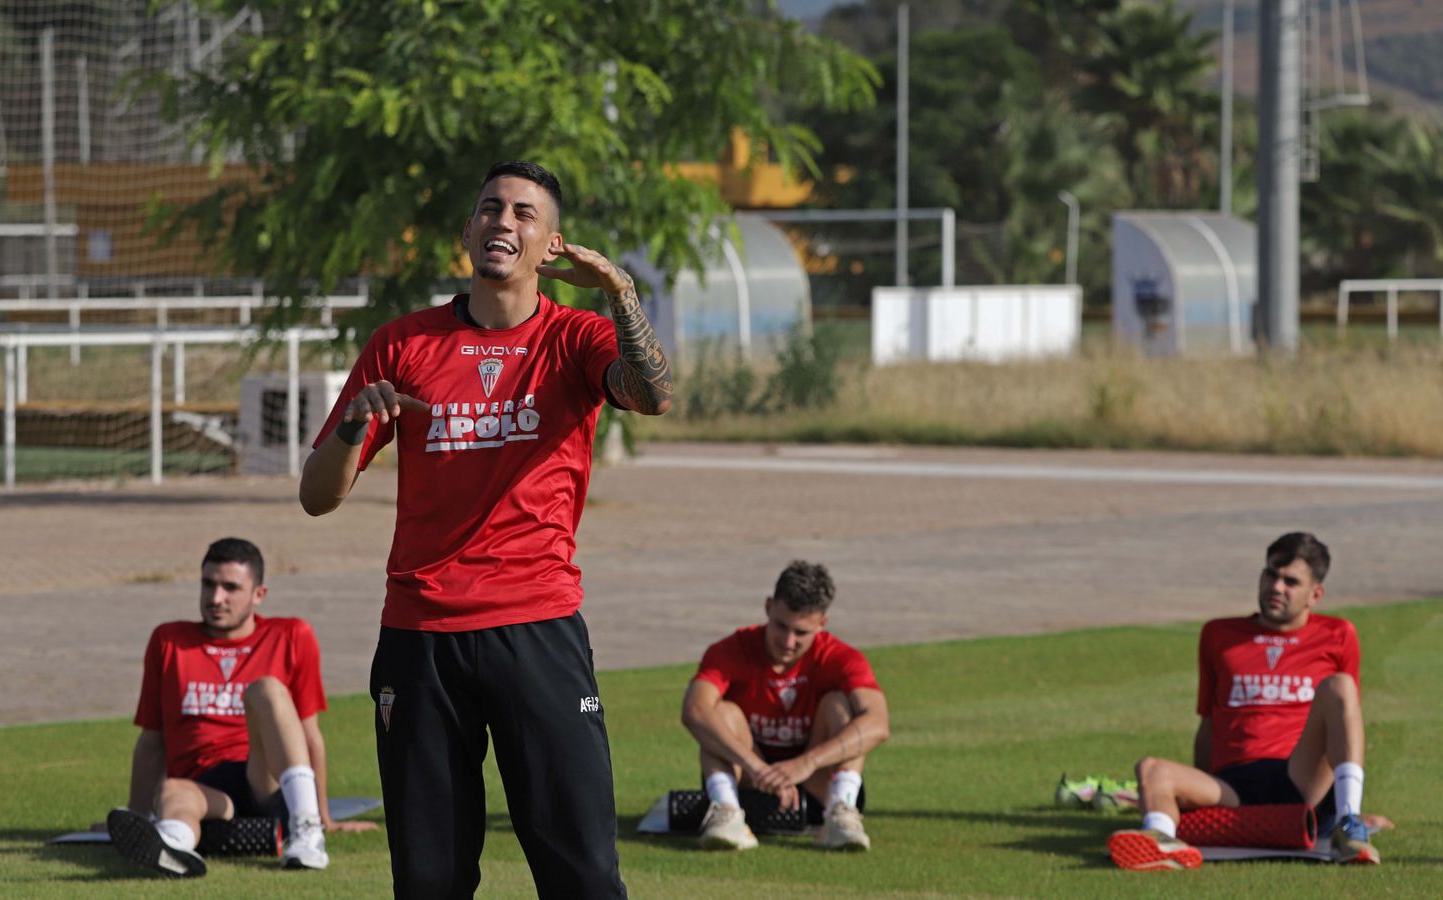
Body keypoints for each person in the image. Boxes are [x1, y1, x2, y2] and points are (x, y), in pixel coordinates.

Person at [298, 160, 672, 898]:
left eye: (524, 214)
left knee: (584, 874)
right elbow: (316, 498)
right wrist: (351, 427)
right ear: (468, 230)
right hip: (420, 639)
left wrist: (622, 293)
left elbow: (652, 395)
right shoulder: (402, 344)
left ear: (551, 244)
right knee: (430, 880)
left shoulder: (576, 338)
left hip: (537, 630)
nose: (504, 222)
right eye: (490, 209)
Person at [106, 537, 377, 878]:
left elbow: (309, 736)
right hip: (204, 788)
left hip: (265, 776)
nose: (216, 598)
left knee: (266, 689)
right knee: (172, 790)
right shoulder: (169, 640)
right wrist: (136, 816)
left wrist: (325, 817)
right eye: (208, 584)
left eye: (230, 587)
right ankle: (172, 847)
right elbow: (152, 740)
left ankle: (308, 831)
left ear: (259, 594)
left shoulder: (291, 635)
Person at [1108, 532, 1379, 870]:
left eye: (1290, 581)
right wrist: (1191, 791)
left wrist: (1347, 799)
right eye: (1270, 575)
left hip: (1301, 775)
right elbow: (1208, 719)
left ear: (1315, 594)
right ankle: (1161, 841)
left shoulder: (1338, 634)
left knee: (1340, 687)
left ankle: (1348, 820)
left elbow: (1343, 719)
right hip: (1231, 785)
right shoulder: (1218, 635)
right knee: (1151, 769)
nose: (1276, 587)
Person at [681, 560, 890, 852]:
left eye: (801, 632)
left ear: (822, 624)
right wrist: (758, 768)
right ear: (768, 607)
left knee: (838, 706)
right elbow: (694, 710)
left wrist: (805, 764)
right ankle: (727, 814)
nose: (788, 642)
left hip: (817, 776)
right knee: (722, 712)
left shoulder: (841, 657)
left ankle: (840, 812)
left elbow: (878, 724)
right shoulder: (731, 650)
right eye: (781, 626)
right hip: (750, 773)